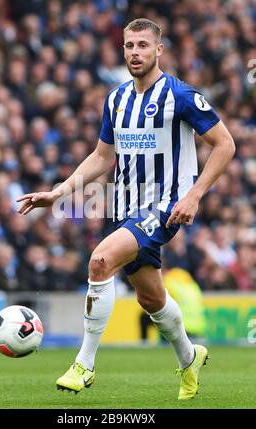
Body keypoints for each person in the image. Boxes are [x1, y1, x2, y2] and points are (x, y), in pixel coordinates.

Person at [17, 18, 235, 400]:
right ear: (122, 49)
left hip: (165, 204)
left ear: (159, 50)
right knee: (151, 299)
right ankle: (190, 356)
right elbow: (103, 157)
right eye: (129, 46)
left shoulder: (180, 96)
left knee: (100, 261)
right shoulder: (116, 99)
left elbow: (225, 144)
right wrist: (60, 192)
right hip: (125, 207)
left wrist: (195, 194)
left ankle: (84, 364)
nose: (135, 52)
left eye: (143, 46)